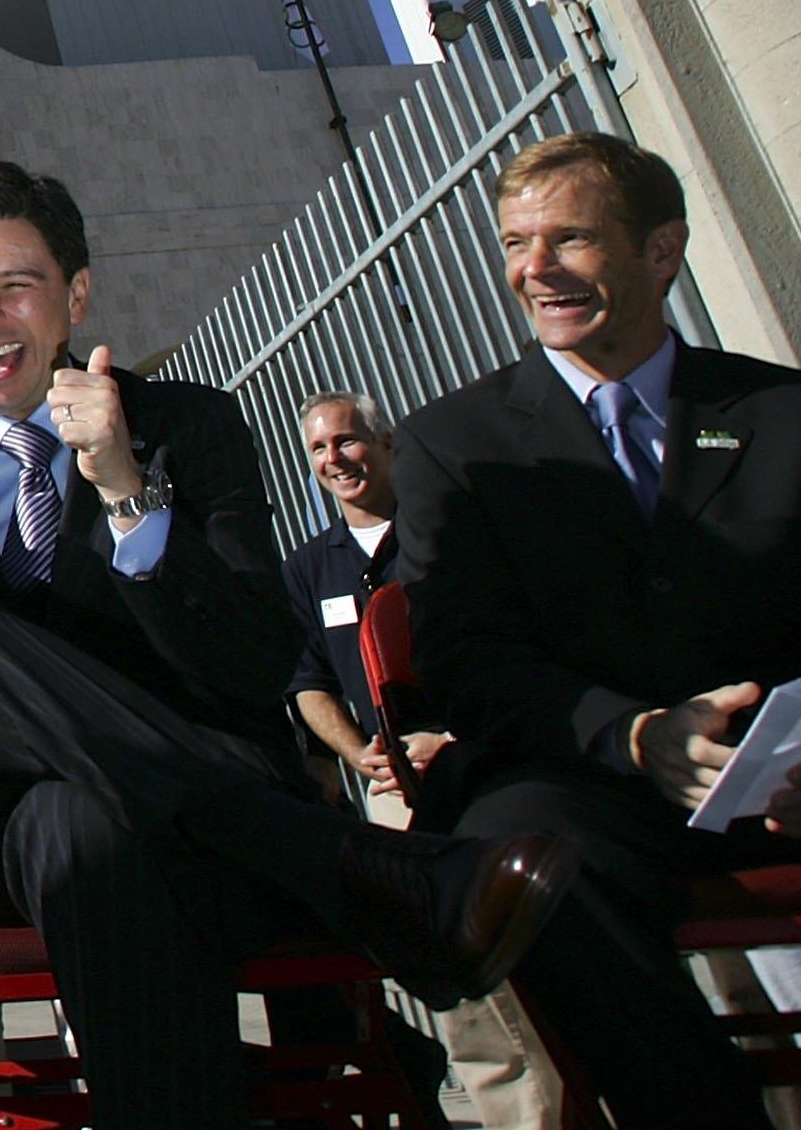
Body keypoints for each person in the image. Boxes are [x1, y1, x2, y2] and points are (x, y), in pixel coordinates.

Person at [0, 159, 578, 1128]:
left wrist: (128, 495)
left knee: (88, 833)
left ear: (75, 294)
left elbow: (253, 666)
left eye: (15, 285)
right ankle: (345, 864)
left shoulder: (187, 428)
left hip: (130, 840)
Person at [395, 131, 801, 1128]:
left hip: (793, 774)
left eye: (569, 236)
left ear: (660, 250)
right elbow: (467, 664)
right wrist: (632, 733)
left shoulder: (785, 413)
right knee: (519, 847)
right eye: (514, 242)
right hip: (597, 787)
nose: (533, 268)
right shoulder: (456, 445)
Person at [286, 392, 554, 1129]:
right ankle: (517, 1116)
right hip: (395, 794)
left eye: (348, 441)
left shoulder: (446, 533)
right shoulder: (311, 568)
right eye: (318, 450)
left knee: (541, 940)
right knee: (456, 971)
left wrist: (454, 738)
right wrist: (358, 754)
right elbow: (307, 682)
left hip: (487, 768)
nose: (335, 459)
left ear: (388, 444)